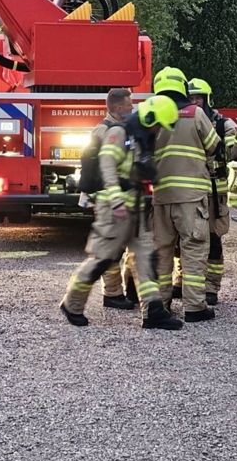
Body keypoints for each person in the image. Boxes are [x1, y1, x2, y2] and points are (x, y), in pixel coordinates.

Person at [60, 96, 183, 330]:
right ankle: (72, 303)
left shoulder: (139, 136)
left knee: (147, 258)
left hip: (133, 207)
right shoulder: (119, 133)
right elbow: (107, 164)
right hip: (114, 208)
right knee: (102, 259)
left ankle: (153, 312)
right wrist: (116, 200)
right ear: (149, 118)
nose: (158, 130)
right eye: (158, 125)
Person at [175, 78, 237, 305]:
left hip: (215, 194)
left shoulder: (222, 124)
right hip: (190, 191)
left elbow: (236, 154)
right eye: (191, 98)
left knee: (213, 242)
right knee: (184, 239)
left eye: (198, 98)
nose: (194, 102)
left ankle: (211, 287)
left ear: (207, 99)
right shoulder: (181, 120)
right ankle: (180, 282)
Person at [148, 67, 221, 323]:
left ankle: (157, 309)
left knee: (161, 253)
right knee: (193, 251)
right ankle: (194, 308)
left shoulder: (151, 115)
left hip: (161, 198)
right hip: (191, 199)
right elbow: (214, 146)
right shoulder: (195, 113)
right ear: (182, 87)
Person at [88, 88, 136, 311]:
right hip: (111, 197)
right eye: (129, 104)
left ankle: (128, 289)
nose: (132, 107)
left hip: (123, 196)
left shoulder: (120, 128)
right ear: (118, 108)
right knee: (112, 248)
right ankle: (113, 294)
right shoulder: (106, 130)